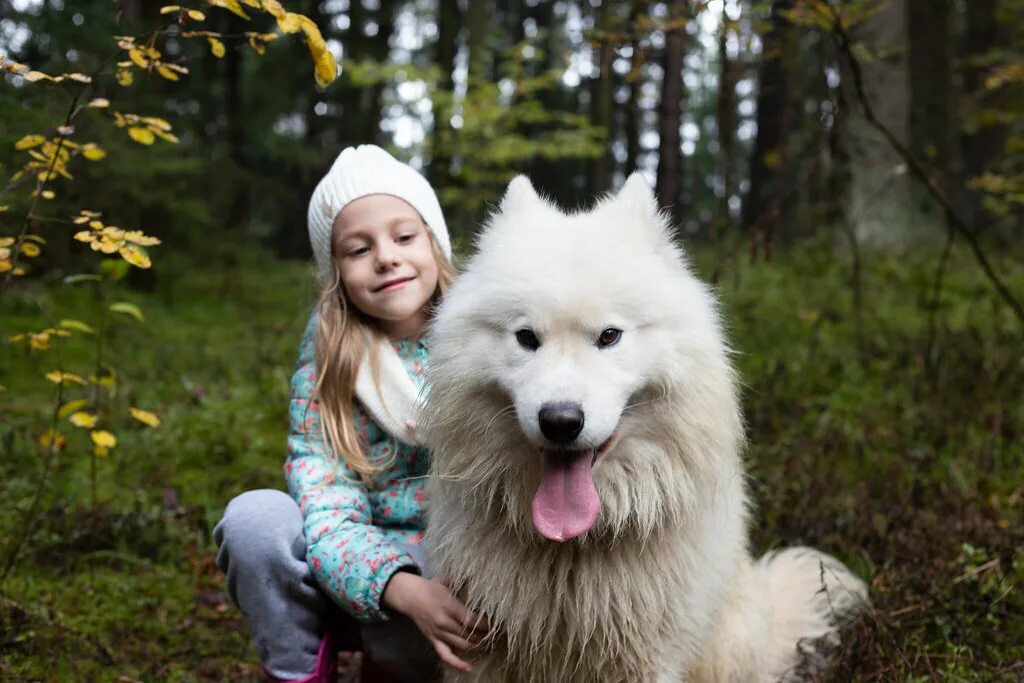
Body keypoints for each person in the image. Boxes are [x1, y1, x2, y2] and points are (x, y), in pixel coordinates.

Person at [214, 145, 486, 683]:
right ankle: (300, 669)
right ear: (334, 271)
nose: (386, 257)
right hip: (350, 563)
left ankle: (395, 668)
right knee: (254, 521)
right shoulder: (332, 355)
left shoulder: (486, 340)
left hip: (458, 571)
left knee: (450, 561)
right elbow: (326, 507)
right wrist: (397, 585)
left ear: (434, 243)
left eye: (405, 237)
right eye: (359, 249)